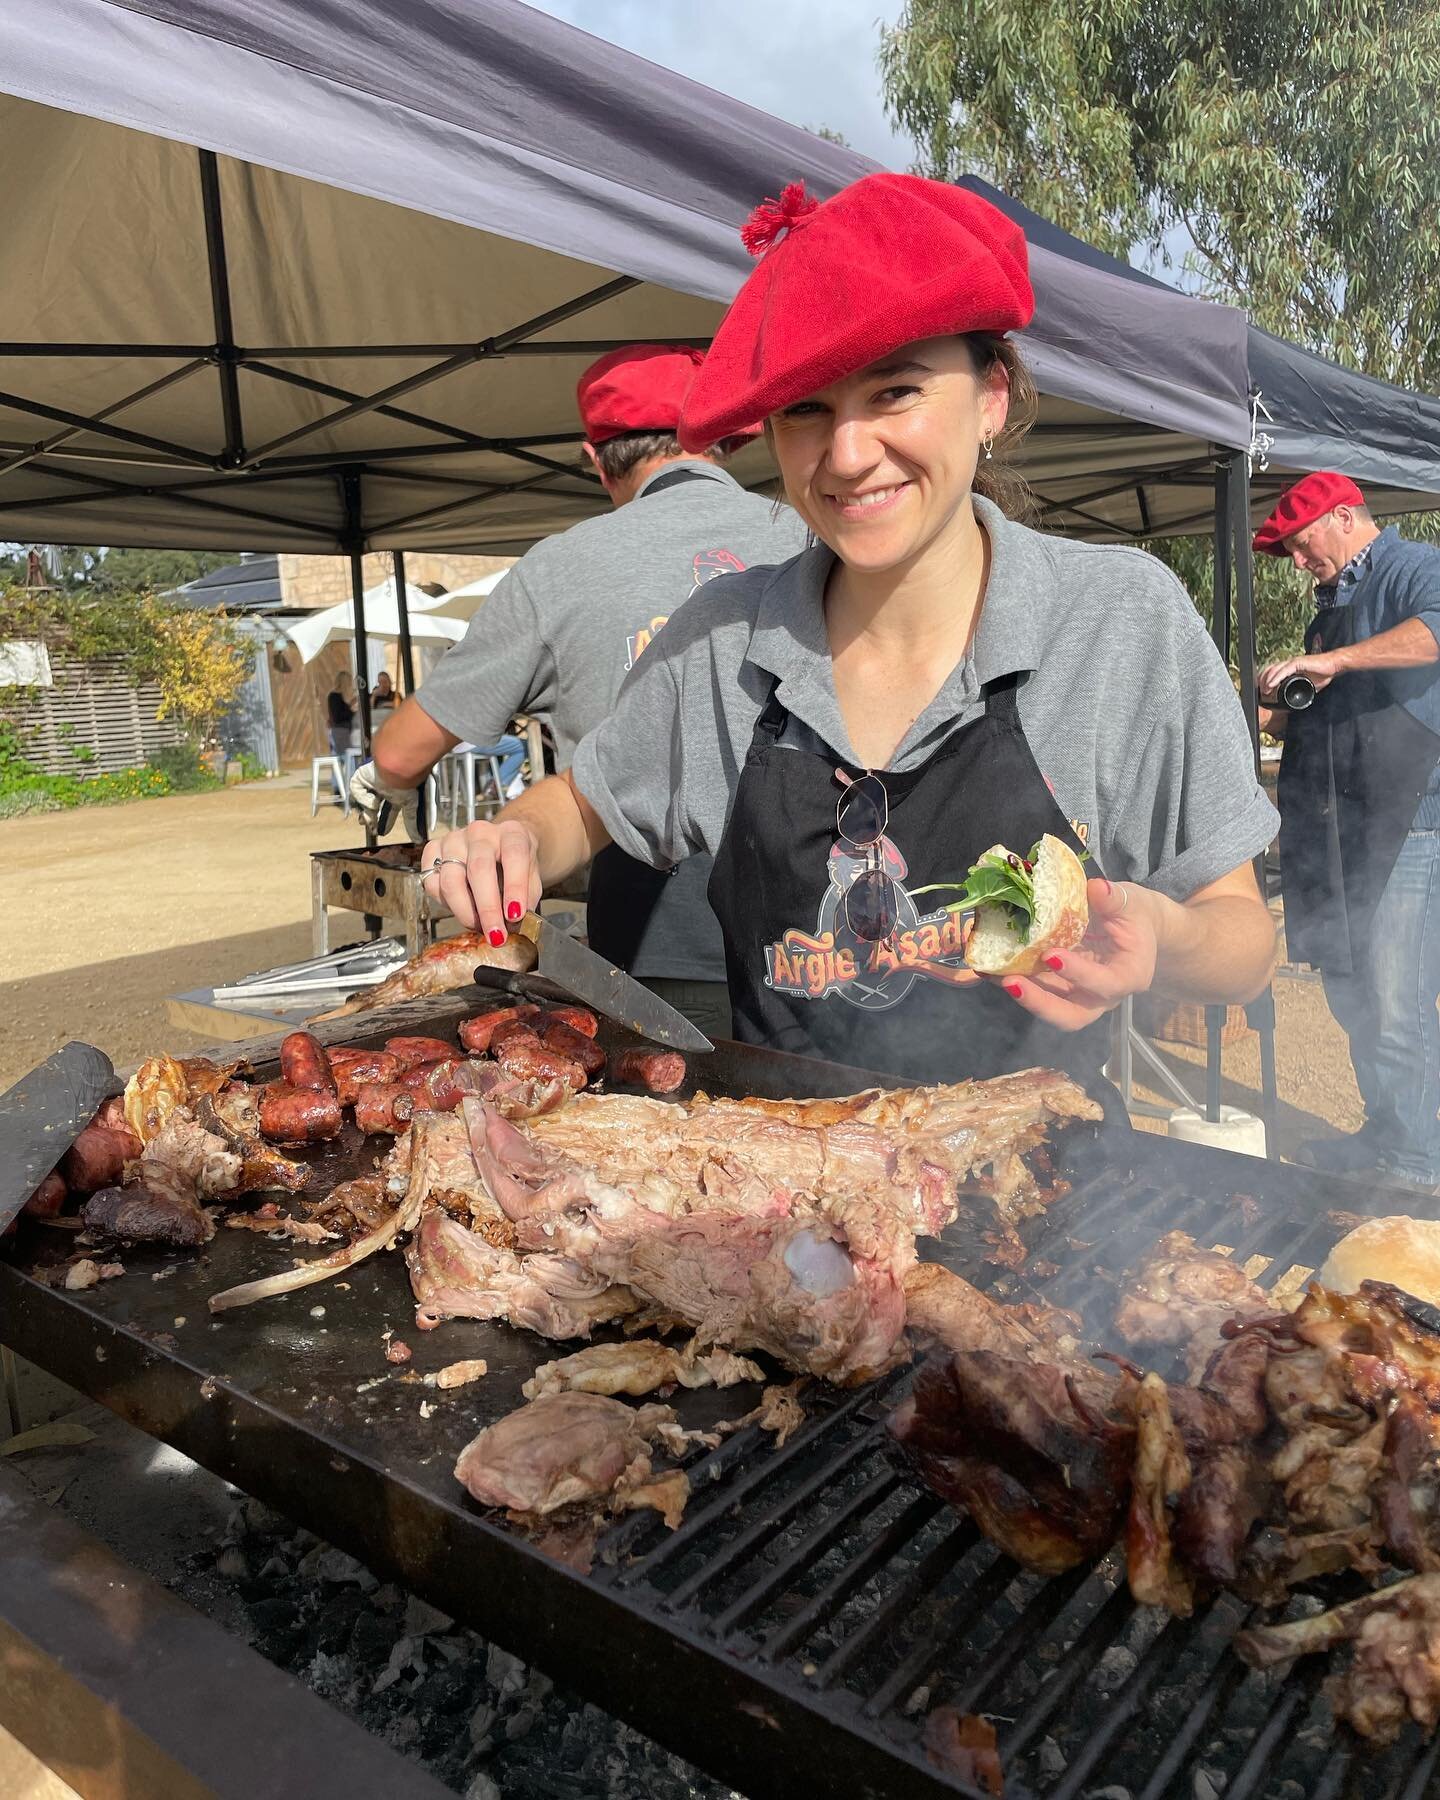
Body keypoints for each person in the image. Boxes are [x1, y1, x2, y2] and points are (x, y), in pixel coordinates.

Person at [419, 176, 1277, 1092]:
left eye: (896, 392)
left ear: (992, 395)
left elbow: (1245, 942)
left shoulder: (1117, 621)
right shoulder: (722, 639)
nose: (849, 454)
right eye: (807, 411)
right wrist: (510, 838)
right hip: (784, 1189)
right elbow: (583, 804)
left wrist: (1163, 936)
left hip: (1045, 1196)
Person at [354, 342, 807, 1039]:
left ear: (595, 460)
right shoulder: (811, 529)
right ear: (718, 441)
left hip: (654, 939)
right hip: (829, 926)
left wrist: (382, 782)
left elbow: (403, 751)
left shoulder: (561, 567)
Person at [1255, 471, 1440, 1188]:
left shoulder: (1412, 568)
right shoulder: (1329, 610)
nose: (1298, 565)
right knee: (1349, 989)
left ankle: (1420, 1166)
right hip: (1340, 830)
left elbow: (1433, 633)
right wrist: (1262, 701)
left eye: (1300, 547)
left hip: (1411, 828)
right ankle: (1387, 1131)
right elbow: (1321, 715)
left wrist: (1328, 660)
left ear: (1341, 518)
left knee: (1395, 1001)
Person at [325, 672, 354, 758]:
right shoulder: (335, 696)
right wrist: (352, 711)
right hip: (340, 731)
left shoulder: (340, 696)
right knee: (344, 757)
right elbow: (337, 716)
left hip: (344, 730)